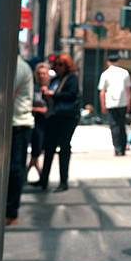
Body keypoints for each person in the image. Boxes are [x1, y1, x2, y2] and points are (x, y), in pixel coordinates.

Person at [36, 54, 81, 192]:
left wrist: (53, 94)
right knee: (49, 148)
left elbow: (72, 95)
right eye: (56, 65)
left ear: (67, 66)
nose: (58, 67)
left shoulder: (71, 78)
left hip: (67, 117)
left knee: (64, 147)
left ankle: (63, 181)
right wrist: (46, 93)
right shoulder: (56, 79)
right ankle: (43, 179)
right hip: (55, 116)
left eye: (61, 65)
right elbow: (48, 96)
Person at [6, 55, 35, 225]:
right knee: (13, 168)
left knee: (15, 169)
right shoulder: (13, 65)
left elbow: (6, 93)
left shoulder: (16, 66)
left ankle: (11, 212)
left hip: (18, 124)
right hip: (13, 124)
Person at [98, 54, 131, 156]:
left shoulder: (105, 74)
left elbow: (102, 92)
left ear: (108, 62)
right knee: (122, 126)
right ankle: (123, 148)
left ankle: (117, 148)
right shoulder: (124, 72)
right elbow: (128, 90)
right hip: (123, 103)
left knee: (114, 126)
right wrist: (129, 104)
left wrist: (103, 105)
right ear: (118, 61)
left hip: (111, 103)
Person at [27, 62, 51, 179]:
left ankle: (33, 173)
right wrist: (39, 109)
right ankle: (39, 175)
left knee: (40, 149)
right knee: (36, 148)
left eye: (44, 74)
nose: (42, 76)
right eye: (39, 74)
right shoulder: (32, 87)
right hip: (35, 122)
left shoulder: (53, 87)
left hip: (48, 123)